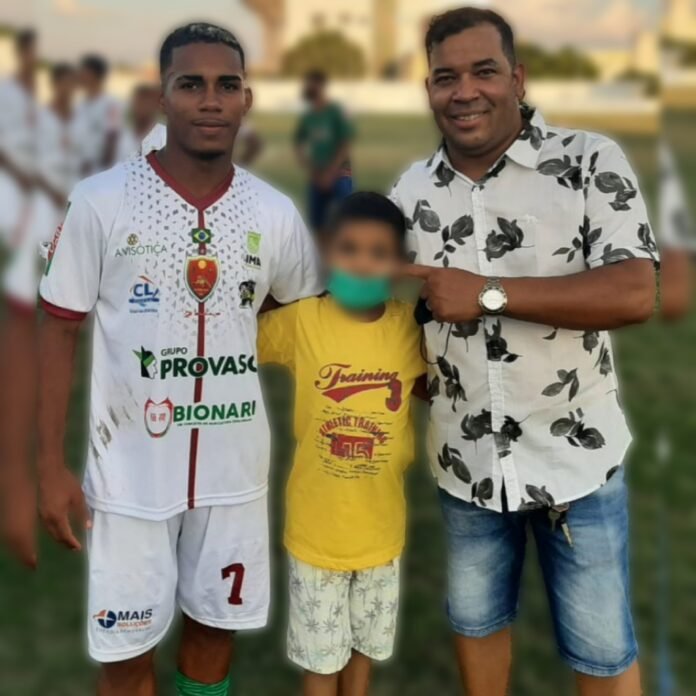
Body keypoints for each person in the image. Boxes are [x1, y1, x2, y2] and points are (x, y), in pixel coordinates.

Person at [37, 22, 320, 696]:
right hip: (130, 475)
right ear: (162, 97)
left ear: (247, 99)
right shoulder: (101, 199)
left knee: (213, 631)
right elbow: (59, 329)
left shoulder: (274, 211)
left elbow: (303, 318)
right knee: (126, 655)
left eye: (227, 85)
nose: (210, 100)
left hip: (234, 472)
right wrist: (49, 465)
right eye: (191, 84)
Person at [390, 8, 658, 696]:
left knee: (602, 650)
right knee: (477, 623)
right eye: (445, 77)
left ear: (517, 77)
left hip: (577, 462)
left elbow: (634, 292)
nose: (464, 91)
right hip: (467, 465)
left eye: (483, 71)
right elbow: (388, 304)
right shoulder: (411, 191)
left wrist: (487, 293)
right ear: (428, 88)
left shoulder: (588, 161)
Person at [258, 192, 425, 696]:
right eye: (349, 249)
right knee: (321, 658)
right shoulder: (304, 320)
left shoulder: (409, 328)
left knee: (363, 650)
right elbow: (240, 330)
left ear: (400, 264)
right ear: (328, 251)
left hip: (381, 531)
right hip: (317, 531)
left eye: (379, 253)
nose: (362, 263)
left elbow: (446, 380)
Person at [295, 70, 354, 231]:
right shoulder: (308, 116)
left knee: (346, 223)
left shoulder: (336, 111)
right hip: (318, 176)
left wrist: (330, 173)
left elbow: (345, 143)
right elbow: (298, 142)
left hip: (340, 175)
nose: (306, 87)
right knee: (317, 225)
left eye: (309, 84)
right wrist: (310, 168)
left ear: (320, 86)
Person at [0, 29, 37, 245]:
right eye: (31, 52)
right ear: (21, 53)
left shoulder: (35, 90)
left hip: (29, 173)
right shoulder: (5, 90)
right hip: (9, 174)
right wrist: (16, 173)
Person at [73, 53, 123, 176]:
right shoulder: (80, 105)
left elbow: (112, 139)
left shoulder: (110, 104)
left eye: (84, 72)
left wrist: (103, 172)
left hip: (98, 171)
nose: (80, 76)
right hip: (78, 169)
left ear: (94, 75)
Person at [115, 83, 167, 161]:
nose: (140, 107)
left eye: (146, 103)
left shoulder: (166, 136)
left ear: (156, 106)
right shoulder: (123, 136)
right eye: (137, 102)